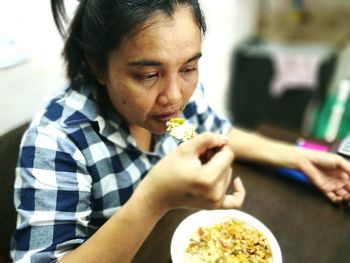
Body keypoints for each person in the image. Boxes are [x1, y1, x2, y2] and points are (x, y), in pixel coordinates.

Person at [11, 0, 350, 262]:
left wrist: (300, 159)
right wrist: (153, 199)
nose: (175, 97)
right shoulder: (57, 140)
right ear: (100, 67)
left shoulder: (173, 108)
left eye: (189, 67)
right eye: (147, 75)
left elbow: (217, 131)